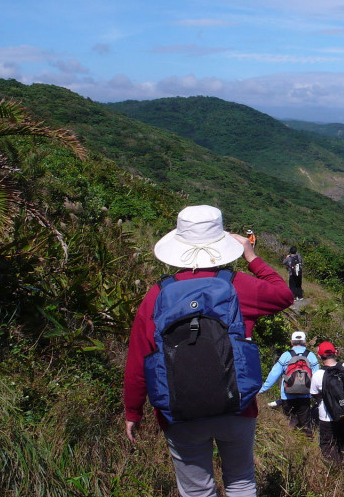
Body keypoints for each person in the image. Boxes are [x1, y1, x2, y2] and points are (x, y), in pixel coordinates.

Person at [123, 205, 294, 497]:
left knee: (197, 490)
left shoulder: (157, 294)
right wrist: (251, 257)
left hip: (179, 409)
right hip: (236, 406)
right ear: (223, 243)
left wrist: (133, 410)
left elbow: (140, 357)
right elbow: (284, 294)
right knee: (240, 481)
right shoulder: (238, 286)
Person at [310, 341, 344, 468]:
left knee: (328, 445)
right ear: (335, 353)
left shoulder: (318, 375)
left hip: (327, 417)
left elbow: (314, 394)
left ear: (319, 357)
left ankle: (334, 473)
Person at [259, 331, 318, 436]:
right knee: (305, 425)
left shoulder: (286, 356)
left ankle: (290, 443)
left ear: (291, 342)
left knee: (290, 423)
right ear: (304, 342)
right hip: (305, 395)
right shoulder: (311, 356)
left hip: (287, 395)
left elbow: (274, 374)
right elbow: (317, 376)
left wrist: (262, 389)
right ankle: (306, 447)